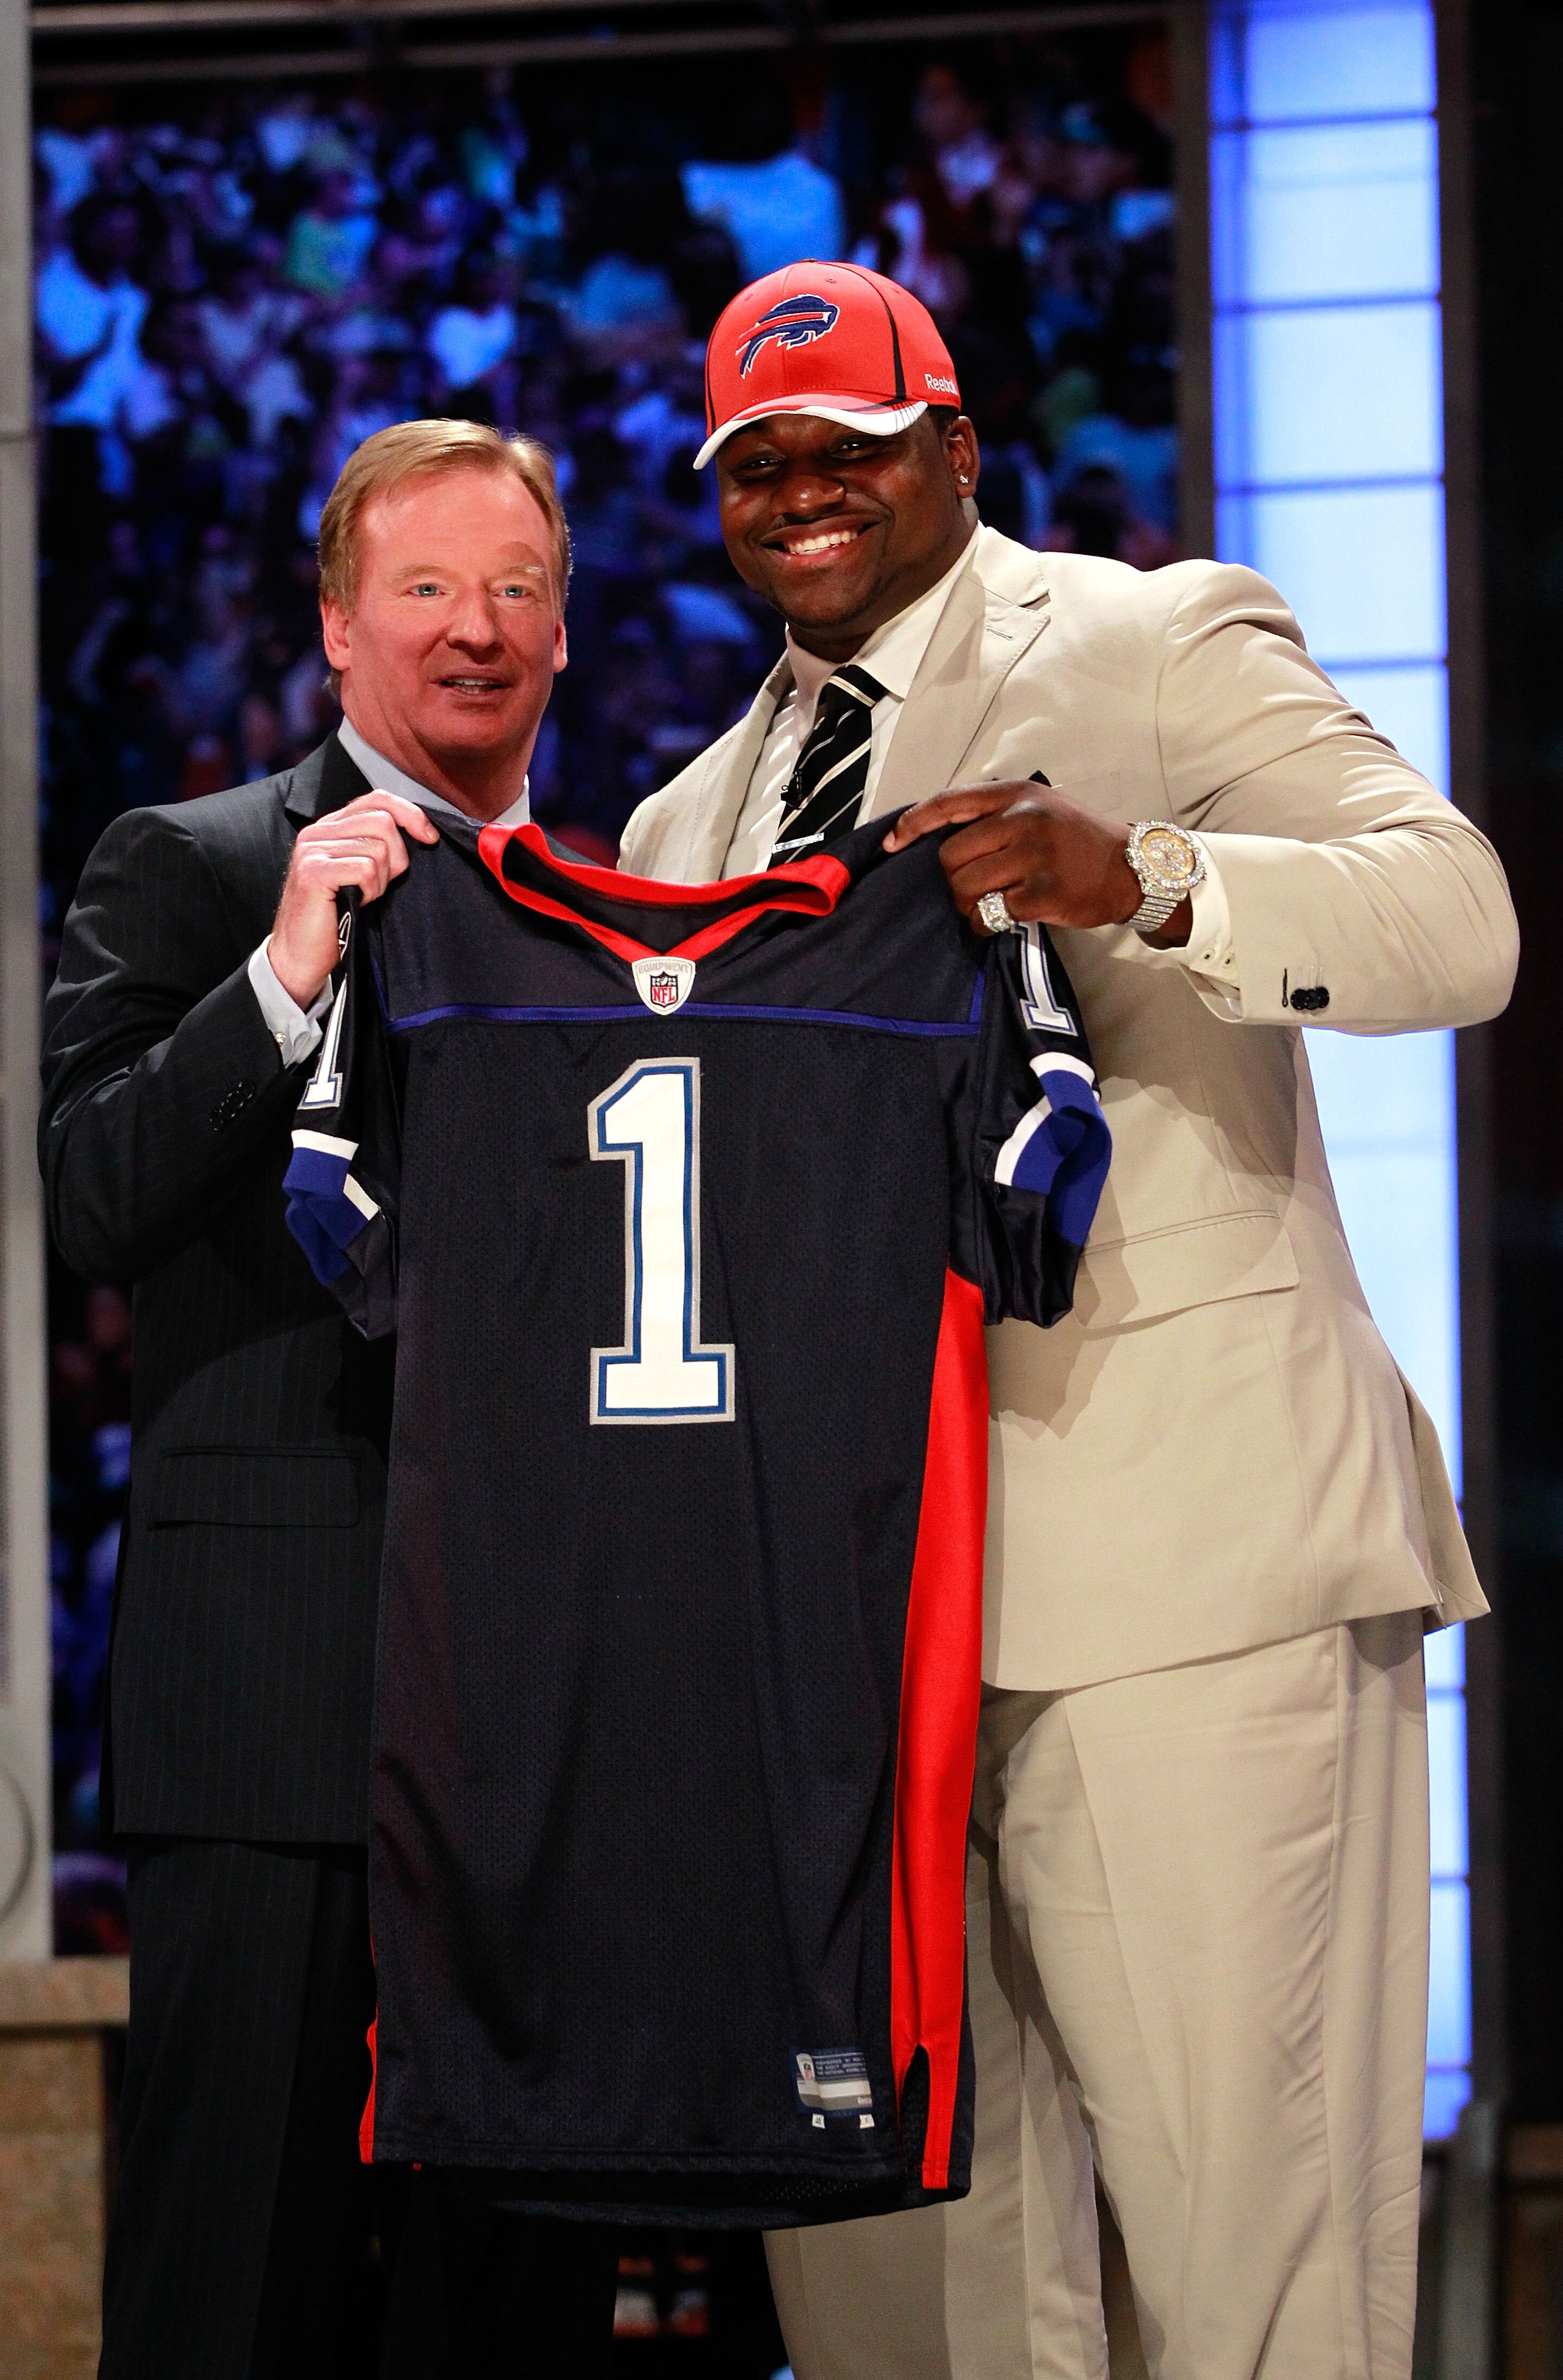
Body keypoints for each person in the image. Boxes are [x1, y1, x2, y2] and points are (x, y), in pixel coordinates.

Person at [619, 260, 1520, 2380]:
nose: (798, 489)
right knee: (907, 2320)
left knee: (1249, 2284)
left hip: (1181, 1575)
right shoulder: (679, 829)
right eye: (756, 460)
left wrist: (1158, 878)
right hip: (854, 1657)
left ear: (952, 446)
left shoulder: (1145, 631)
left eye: (843, 443)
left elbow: (1454, 910)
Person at [40, 418, 616, 2380]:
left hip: (543, 1718)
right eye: (429, 589)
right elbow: (90, 1199)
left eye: (516, 590)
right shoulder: (194, 866)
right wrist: (286, 975)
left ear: (566, 629)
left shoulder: (631, 909)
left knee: (512, 2297)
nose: (475, 631)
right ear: (338, 626)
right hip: (270, 1701)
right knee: (232, 2278)